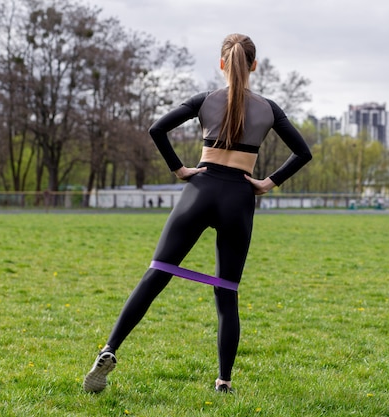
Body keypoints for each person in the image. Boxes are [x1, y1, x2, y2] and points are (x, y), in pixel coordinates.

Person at [83, 33, 312, 394]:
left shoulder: (205, 100)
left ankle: (109, 349)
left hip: (199, 191)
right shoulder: (269, 108)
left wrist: (179, 169)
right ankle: (223, 381)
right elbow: (303, 152)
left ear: (222, 63)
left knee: (156, 275)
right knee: (226, 293)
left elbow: (157, 129)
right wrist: (268, 182)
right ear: (254, 65)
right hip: (238, 196)